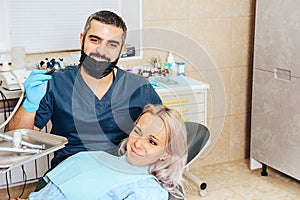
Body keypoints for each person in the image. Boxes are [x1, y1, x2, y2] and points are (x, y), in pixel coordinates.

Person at [6, 10, 161, 169]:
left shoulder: (139, 87)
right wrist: (29, 105)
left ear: (122, 49)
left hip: (119, 173)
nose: (101, 51)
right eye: (95, 40)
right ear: (82, 39)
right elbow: (15, 142)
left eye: (112, 44)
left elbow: (164, 135)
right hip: (69, 173)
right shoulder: (56, 83)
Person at [10, 104, 188, 200]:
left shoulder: (147, 191)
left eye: (152, 141)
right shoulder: (91, 158)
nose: (138, 144)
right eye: (137, 132)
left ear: (166, 153)